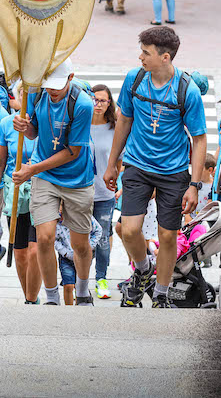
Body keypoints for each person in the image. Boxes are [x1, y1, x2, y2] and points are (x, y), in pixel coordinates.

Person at [103, 27, 207, 308]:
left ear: (165, 57)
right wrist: (112, 163)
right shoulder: (134, 79)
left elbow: (199, 139)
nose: (140, 57)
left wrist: (194, 185)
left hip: (173, 172)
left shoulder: (187, 91)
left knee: (167, 234)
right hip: (137, 164)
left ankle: (161, 292)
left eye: (146, 53)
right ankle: (144, 269)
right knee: (128, 229)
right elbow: (124, 120)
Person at [12, 59, 97, 306]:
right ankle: (51, 297)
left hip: (76, 178)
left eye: (58, 85)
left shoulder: (82, 104)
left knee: (79, 243)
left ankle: (82, 290)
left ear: (71, 78)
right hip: (45, 176)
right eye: (49, 85)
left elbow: (73, 151)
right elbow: (33, 132)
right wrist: (24, 126)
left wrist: (32, 169)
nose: (53, 90)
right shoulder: (38, 95)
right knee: (45, 237)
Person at [0, 80, 42, 304]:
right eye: (23, 93)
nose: (26, 98)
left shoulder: (45, 121)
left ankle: (33, 297)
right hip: (16, 192)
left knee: (34, 250)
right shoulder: (6, 123)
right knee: (19, 252)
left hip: (42, 189)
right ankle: (28, 295)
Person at [89, 83, 119, 299]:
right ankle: (77, 278)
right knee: (79, 237)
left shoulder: (115, 128)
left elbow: (122, 160)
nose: (98, 104)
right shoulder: (80, 124)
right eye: (95, 99)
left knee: (102, 239)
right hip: (79, 191)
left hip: (105, 193)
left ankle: (101, 278)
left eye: (103, 100)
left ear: (109, 103)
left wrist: (121, 186)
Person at [56, 208, 103, 305]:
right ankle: (69, 309)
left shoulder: (82, 215)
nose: (60, 210)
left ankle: (80, 305)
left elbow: (98, 230)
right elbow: (53, 240)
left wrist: (89, 246)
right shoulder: (56, 222)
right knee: (68, 285)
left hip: (82, 256)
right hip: (66, 258)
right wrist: (65, 252)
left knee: (79, 285)